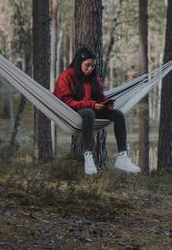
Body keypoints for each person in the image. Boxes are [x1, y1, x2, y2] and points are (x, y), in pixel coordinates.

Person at [54, 46, 141, 175]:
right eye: (87, 65)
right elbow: (65, 102)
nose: (90, 69)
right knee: (89, 112)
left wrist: (105, 105)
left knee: (118, 114)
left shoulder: (94, 78)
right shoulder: (66, 77)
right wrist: (91, 104)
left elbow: (100, 97)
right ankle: (88, 156)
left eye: (93, 66)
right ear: (79, 62)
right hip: (72, 111)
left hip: (92, 109)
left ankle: (122, 157)